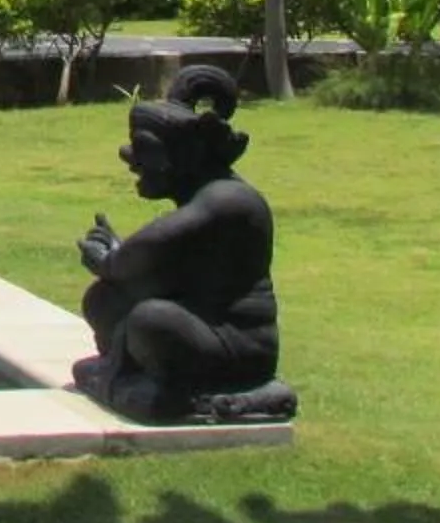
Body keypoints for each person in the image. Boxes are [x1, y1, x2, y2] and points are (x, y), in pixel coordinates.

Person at [72, 64, 291, 422]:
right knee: (104, 299)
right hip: (198, 324)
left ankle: (187, 394)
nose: (131, 160)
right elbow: (154, 257)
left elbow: (150, 246)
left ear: (183, 156)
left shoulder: (226, 200)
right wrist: (117, 261)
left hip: (233, 344)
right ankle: (140, 377)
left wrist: (113, 260)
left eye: (145, 149)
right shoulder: (203, 197)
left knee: (149, 319)